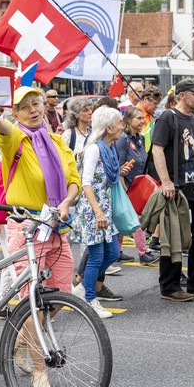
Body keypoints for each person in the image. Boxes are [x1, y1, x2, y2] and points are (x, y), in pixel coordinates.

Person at [0, 86, 81, 387]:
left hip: (56, 227)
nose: (34, 110)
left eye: (37, 104)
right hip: (26, 226)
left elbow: (73, 180)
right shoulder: (15, 139)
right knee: (33, 301)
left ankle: (20, 338)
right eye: (26, 107)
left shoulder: (58, 141)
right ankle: (38, 369)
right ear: (17, 113)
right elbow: (2, 129)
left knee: (61, 295)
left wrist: (66, 202)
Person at [151, 78, 194, 301]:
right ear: (182, 95)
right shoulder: (168, 117)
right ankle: (169, 286)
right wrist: (166, 181)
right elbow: (157, 149)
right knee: (174, 237)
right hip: (177, 187)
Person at [72, 107, 131, 318]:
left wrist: (119, 171)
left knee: (113, 253)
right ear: (108, 128)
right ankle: (89, 299)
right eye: (119, 123)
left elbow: (103, 176)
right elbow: (86, 182)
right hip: (93, 209)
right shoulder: (94, 149)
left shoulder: (109, 147)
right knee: (96, 256)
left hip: (104, 207)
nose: (122, 127)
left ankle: (83, 288)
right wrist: (97, 212)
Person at [115, 106, 159, 265]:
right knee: (135, 219)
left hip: (138, 185)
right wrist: (123, 188)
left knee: (124, 219)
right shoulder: (122, 139)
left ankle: (117, 251)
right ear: (128, 120)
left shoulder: (139, 138)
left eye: (142, 118)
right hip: (126, 186)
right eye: (138, 119)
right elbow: (119, 165)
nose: (142, 121)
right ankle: (143, 252)